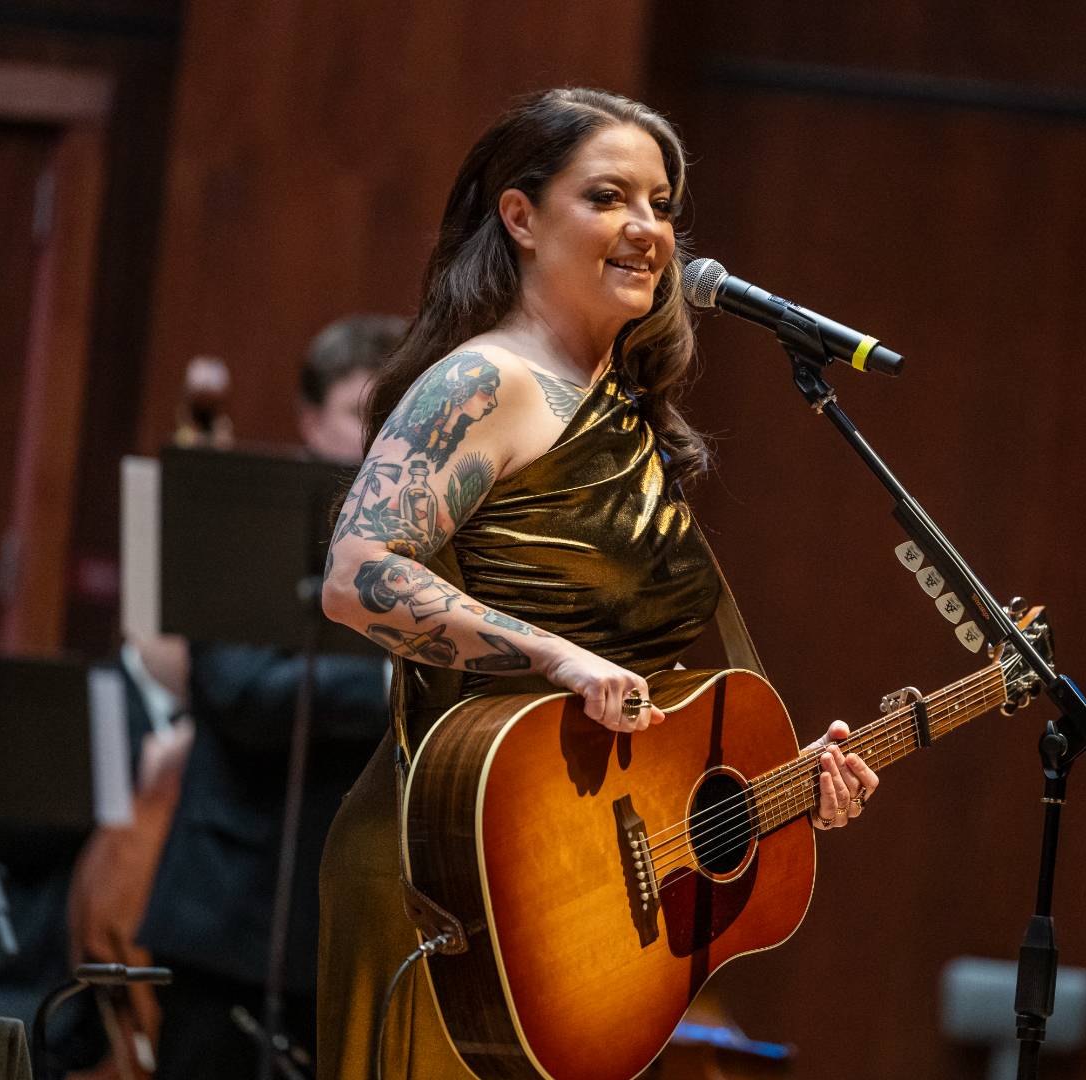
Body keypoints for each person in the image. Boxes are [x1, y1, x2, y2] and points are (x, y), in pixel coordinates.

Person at [316, 88, 881, 1080]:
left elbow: (644, 686)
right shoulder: (481, 384)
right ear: (522, 217)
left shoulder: (628, 410)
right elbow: (358, 579)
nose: (648, 230)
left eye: (662, 205)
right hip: (452, 870)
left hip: (574, 883)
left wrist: (780, 790)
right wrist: (553, 656)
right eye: (610, 197)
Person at [136, 315, 405, 1080]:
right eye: (358, 415)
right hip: (227, 915)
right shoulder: (240, 517)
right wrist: (394, 685)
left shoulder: (420, 538)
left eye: (394, 419)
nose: (374, 440)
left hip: (352, 927)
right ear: (309, 418)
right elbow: (242, 693)